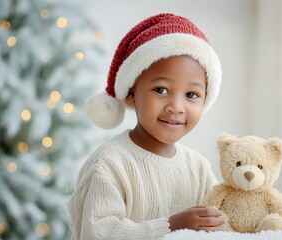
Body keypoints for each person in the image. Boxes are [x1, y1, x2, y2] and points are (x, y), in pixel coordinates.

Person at [67, 13, 225, 239]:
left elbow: (224, 223)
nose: (176, 107)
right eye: (161, 90)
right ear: (131, 93)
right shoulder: (109, 164)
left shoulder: (198, 168)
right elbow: (97, 234)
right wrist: (171, 226)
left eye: (191, 94)